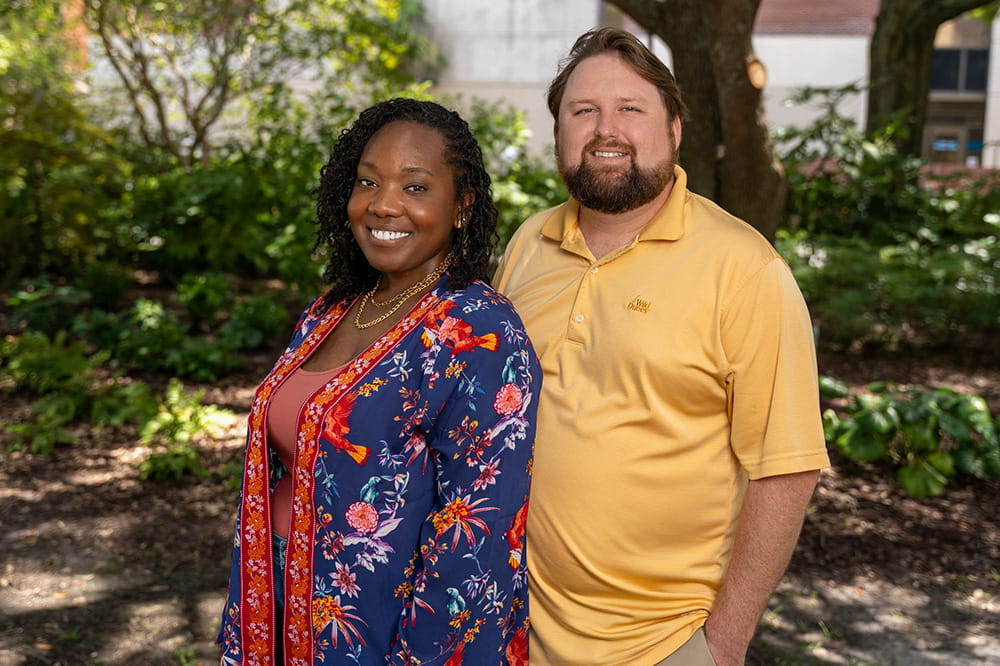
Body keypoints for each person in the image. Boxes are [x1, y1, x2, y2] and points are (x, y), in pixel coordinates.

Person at [493, 28, 830, 666]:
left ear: (674, 128)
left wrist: (723, 646)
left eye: (630, 109)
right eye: (583, 110)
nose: (605, 129)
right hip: (515, 630)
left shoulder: (744, 269)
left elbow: (787, 466)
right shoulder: (529, 244)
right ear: (559, 129)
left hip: (664, 645)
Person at [219, 98, 539, 665]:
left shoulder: (479, 331)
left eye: (415, 188)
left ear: (461, 204)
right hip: (272, 606)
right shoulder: (332, 310)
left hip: (377, 633)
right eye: (367, 182)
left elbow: (476, 542)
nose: (383, 204)